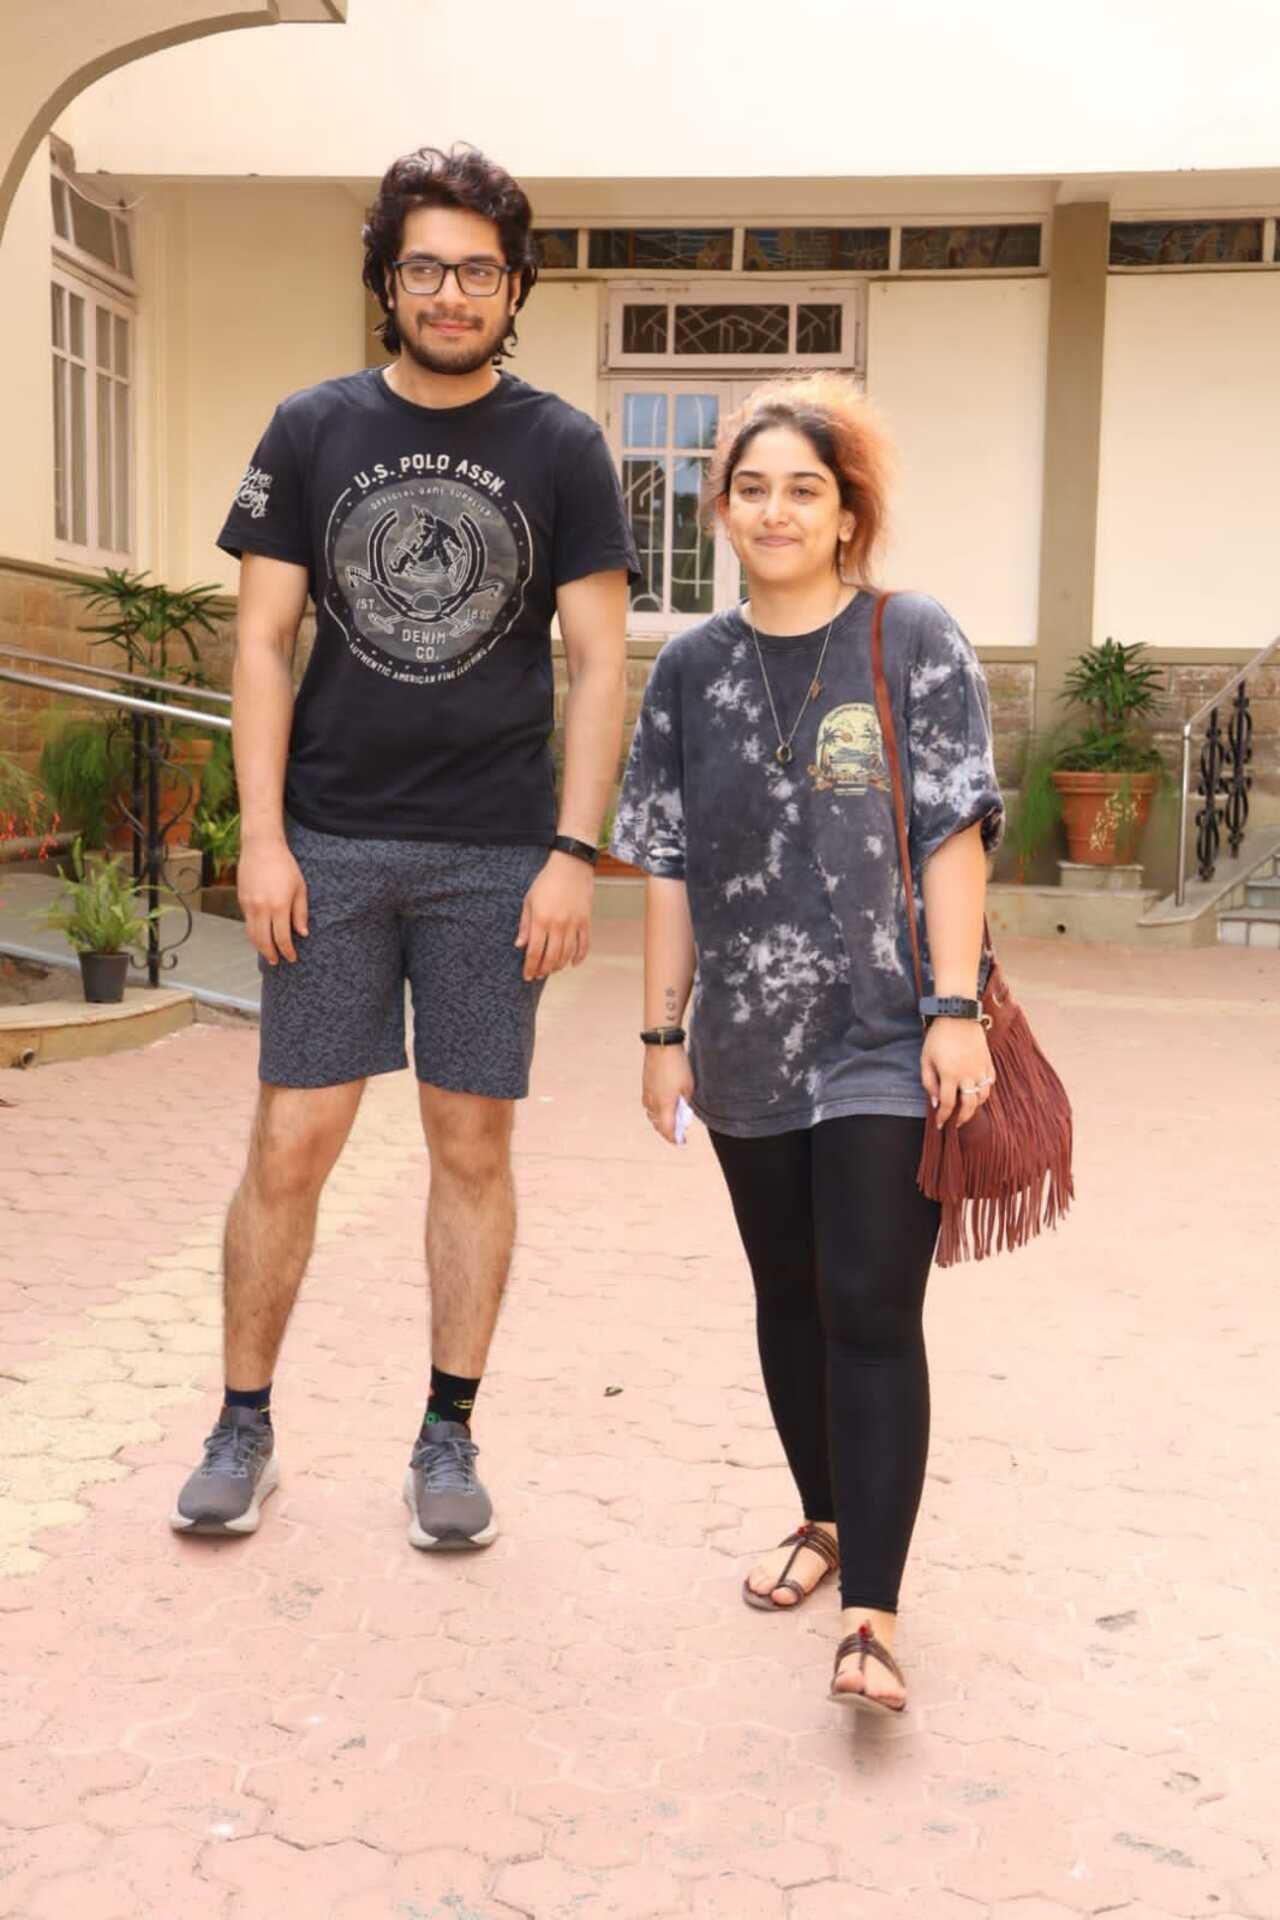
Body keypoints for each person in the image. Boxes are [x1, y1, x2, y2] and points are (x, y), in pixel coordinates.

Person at [171, 144, 637, 1549]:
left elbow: (602, 664)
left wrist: (573, 851)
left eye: (478, 269)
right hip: (330, 845)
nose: (451, 291)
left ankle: (448, 1436)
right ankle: (243, 1424)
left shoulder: (562, 446)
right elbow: (261, 639)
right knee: (294, 1135)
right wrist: (260, 837)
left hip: (497, 856)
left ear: (516, 287)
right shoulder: (312, 428)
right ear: (387, 279)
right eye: (425, 265)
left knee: (471, 1141)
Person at [611, 374, 1002, 1711]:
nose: (776, 511)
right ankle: (823, 1516)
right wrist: (662, 1031)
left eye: (806, 489)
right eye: (754, 487)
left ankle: (874, 1616)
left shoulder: (912, 637)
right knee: (789, 1297)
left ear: (849, 515)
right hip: (747, 1043)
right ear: (720, 509)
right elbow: (661, 861)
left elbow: (954, 826)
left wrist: (954, 1006)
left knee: (872, 1302)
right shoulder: (689, 670)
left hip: (890, 1033)